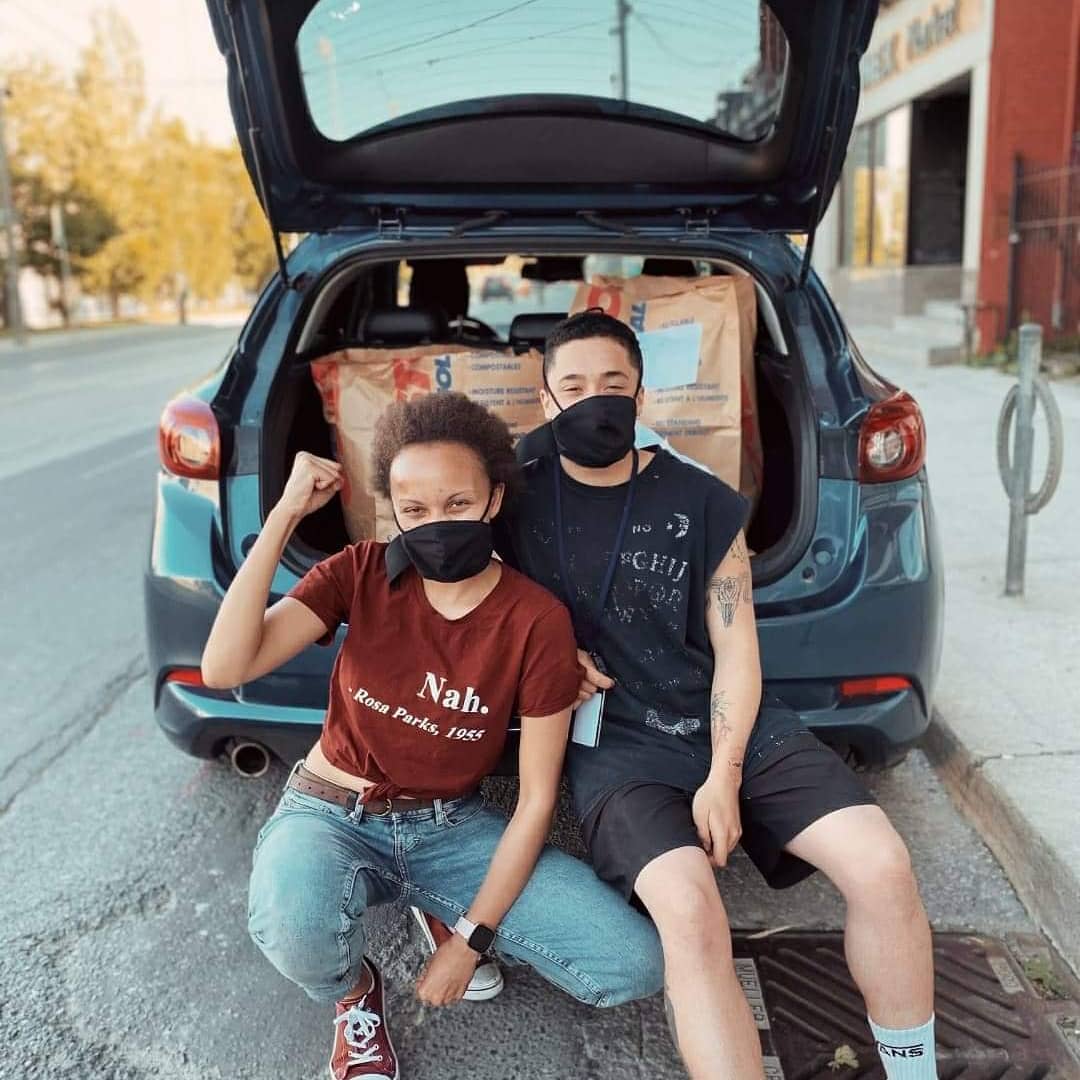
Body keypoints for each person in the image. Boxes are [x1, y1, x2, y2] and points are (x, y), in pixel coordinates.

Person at [490, 310, 939, 1080]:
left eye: (613, 385)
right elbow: (460, 597)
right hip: (615, 745)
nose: (593, 399)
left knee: (883, 864)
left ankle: (914, 1070)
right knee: (695, 918)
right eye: (573, 385)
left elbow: (736, 649)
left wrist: (724, 774)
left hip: (730, 721)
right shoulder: (507, 495)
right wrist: (545, 646)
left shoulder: (700, 499)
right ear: (544, 398)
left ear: (641, 396)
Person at [201, 390, 664, 1080]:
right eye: (413, 510)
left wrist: (472, 942)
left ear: (493, 501)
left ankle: (445, 909)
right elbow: (225, 665)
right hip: (333, 810)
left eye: (456, 504)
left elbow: (536, 800)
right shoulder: (360, 573)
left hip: (449, 830)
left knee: (632, 966)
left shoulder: (535, 620)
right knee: (294, 930)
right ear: (393, 510)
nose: (435, 524)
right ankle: (355, 994)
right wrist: (284, 517)